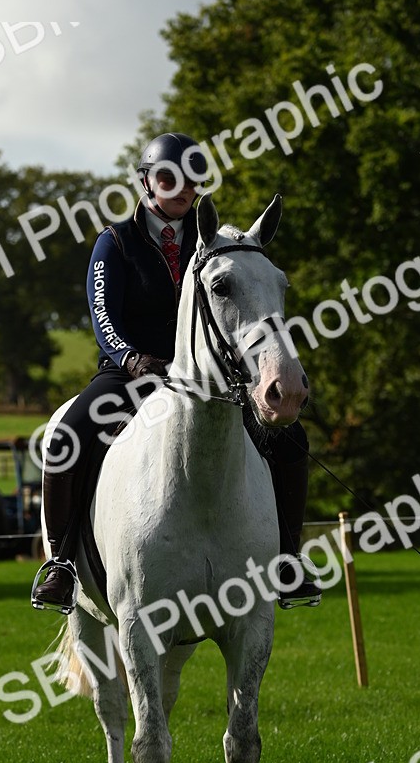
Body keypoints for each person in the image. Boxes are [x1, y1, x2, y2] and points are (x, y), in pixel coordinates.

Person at [31, 131, 321, 612]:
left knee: (292, 441)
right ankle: (61, 563)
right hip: (130, 373)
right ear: (146, 182)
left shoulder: (213, 245)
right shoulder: (115, 243)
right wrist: (131, 358)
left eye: (190, 181)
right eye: (168, 178)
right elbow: (103, 318)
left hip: (203, 378)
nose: (180, 190)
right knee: (66, 438)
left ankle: (287, 560)